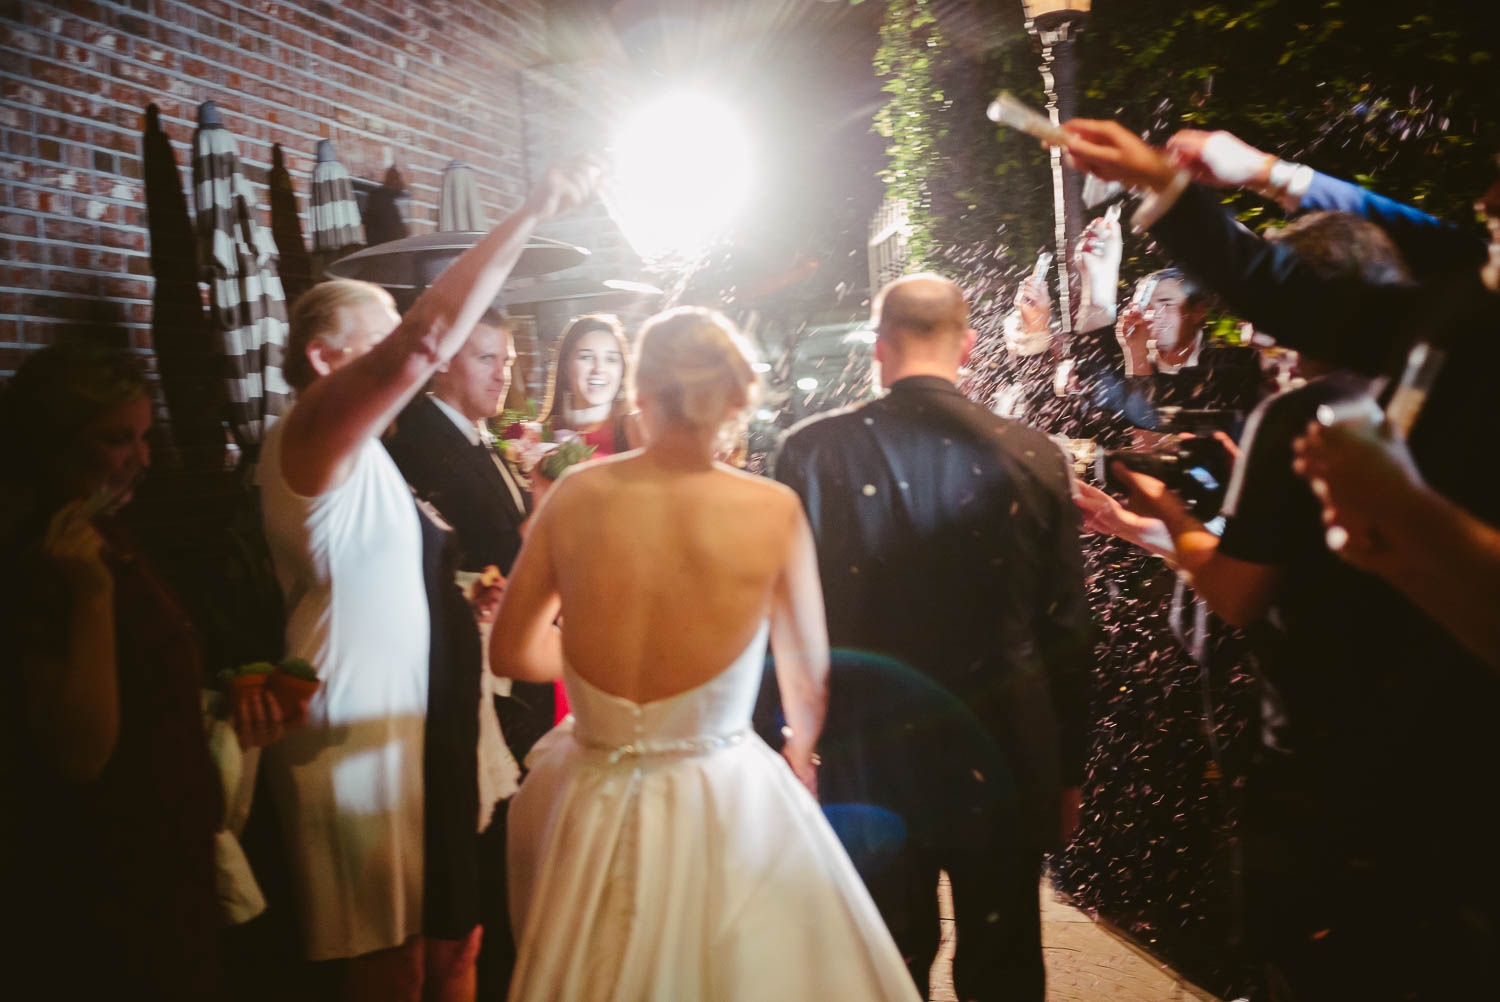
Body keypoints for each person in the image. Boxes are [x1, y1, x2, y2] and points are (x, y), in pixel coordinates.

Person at [1059, 116, 1500, 999]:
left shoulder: (1306, 414)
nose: (1486, 201)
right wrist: (1229, 178)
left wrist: (1176, 522)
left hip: (1376, 776)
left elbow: (1243, 588)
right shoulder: (1439, 323)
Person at [490, 307, 920, 1002]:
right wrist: (798, 751)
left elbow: (510, 652)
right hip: (718, 790)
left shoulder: (575, 494)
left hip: (588, 792)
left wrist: (598, 663)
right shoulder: (771, 509)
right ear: (731, 398)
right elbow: (807, 682)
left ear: (640, 391)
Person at [256, 159, 598, 1002]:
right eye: (381, 340)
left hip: (427, 726)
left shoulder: (372, 452)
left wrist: (462, 601)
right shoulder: (309, 433)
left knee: (456, 946)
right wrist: (536, 204)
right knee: (391, 967)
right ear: (324, 357)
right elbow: (423, 345)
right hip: (354, 737)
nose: (405, 355)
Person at [773, 274, 1093, 1002]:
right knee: (1004, 959)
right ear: (970, 348)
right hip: (1004, 754)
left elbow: (785, 620)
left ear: (878, 349)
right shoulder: (1036, 455)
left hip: (869, 755)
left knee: (883, 962)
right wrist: (1069, 770)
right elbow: (1069, 632)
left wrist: (791, 743)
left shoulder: (812, 453)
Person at [0, 341, 228, 1000]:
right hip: (107, 875)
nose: (144, 458)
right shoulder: (46, 564)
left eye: (145, 436)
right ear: (51, 443)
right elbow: (81, 751)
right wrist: (91, 596)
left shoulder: (106, 534)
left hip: (165, 857)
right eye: (116, 439)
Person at [383, 307, 552, 1000]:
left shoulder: (487, 441)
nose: (502, 373)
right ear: (447, 361)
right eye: (487, 359)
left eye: (508, 361)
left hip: (512, 660)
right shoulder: (417, 444)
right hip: (470, 670)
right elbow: (414, 557)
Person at [536, 312, 635, 460]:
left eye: (611, 359)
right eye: (586, 357)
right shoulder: (532, 437)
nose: (599, 368)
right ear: (565, 367)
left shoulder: (637, 434)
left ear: (623, 370)